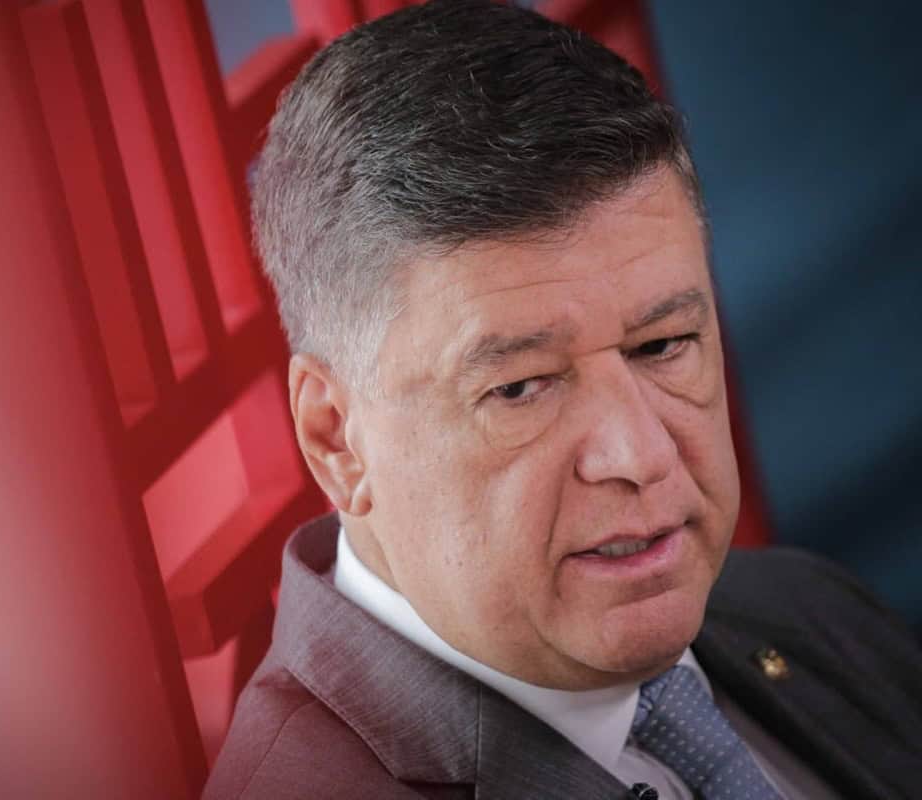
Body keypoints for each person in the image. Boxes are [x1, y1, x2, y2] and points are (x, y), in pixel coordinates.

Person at [204, 2, 922, 797]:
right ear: (337, 438)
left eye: (662, 345)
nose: (640, 455)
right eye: (519, 388)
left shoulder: (812, 608)